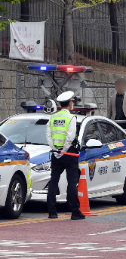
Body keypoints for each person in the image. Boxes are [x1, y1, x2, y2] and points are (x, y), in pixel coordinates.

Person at [45, 91, 84, 220]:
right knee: (72, 182)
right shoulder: (71, 118)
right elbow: (71, 136)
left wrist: (55, 149)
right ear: (70, 103)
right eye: (72, 101)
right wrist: (64, 150)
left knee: (53, 182)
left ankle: (52, 211)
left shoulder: (53, 117)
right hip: (68, 153)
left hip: (55, 154)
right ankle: (75, 211)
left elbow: (48, 136)